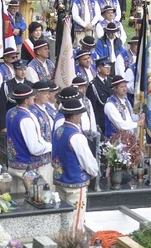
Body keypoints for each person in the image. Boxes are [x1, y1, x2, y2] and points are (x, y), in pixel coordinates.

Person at [52, 97, 99, 233]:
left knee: (63, 219)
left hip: (60, 180)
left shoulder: (58, 131)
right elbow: (88, 162)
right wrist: (93, 173)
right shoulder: (76, 136)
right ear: (74, 116)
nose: (80, 117)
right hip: (75, 182)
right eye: (79, 114)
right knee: (76, 221)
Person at [6, 84, 53, 192]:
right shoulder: (26, 118)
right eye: (32, 96)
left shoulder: (10, 112)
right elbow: (34, 149)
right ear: (26, 101)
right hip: (26, 170)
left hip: (13, 164)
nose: (34, 97)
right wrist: (51, 147)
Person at [0, 47, 18, 129]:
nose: (16, 59)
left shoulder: (18, 71)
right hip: (5, 109)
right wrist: (0, 109)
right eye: (13, 57)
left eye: (16, 57)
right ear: (6, 58)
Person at [0, 59, 30, 131]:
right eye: (20, 70)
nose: (23, 72)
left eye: (24, 69)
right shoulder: (7, 85)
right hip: (11, 120)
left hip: (26, 120)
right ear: (15, 70)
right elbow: (2, 106)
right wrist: (3, 126)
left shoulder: (30, 85)